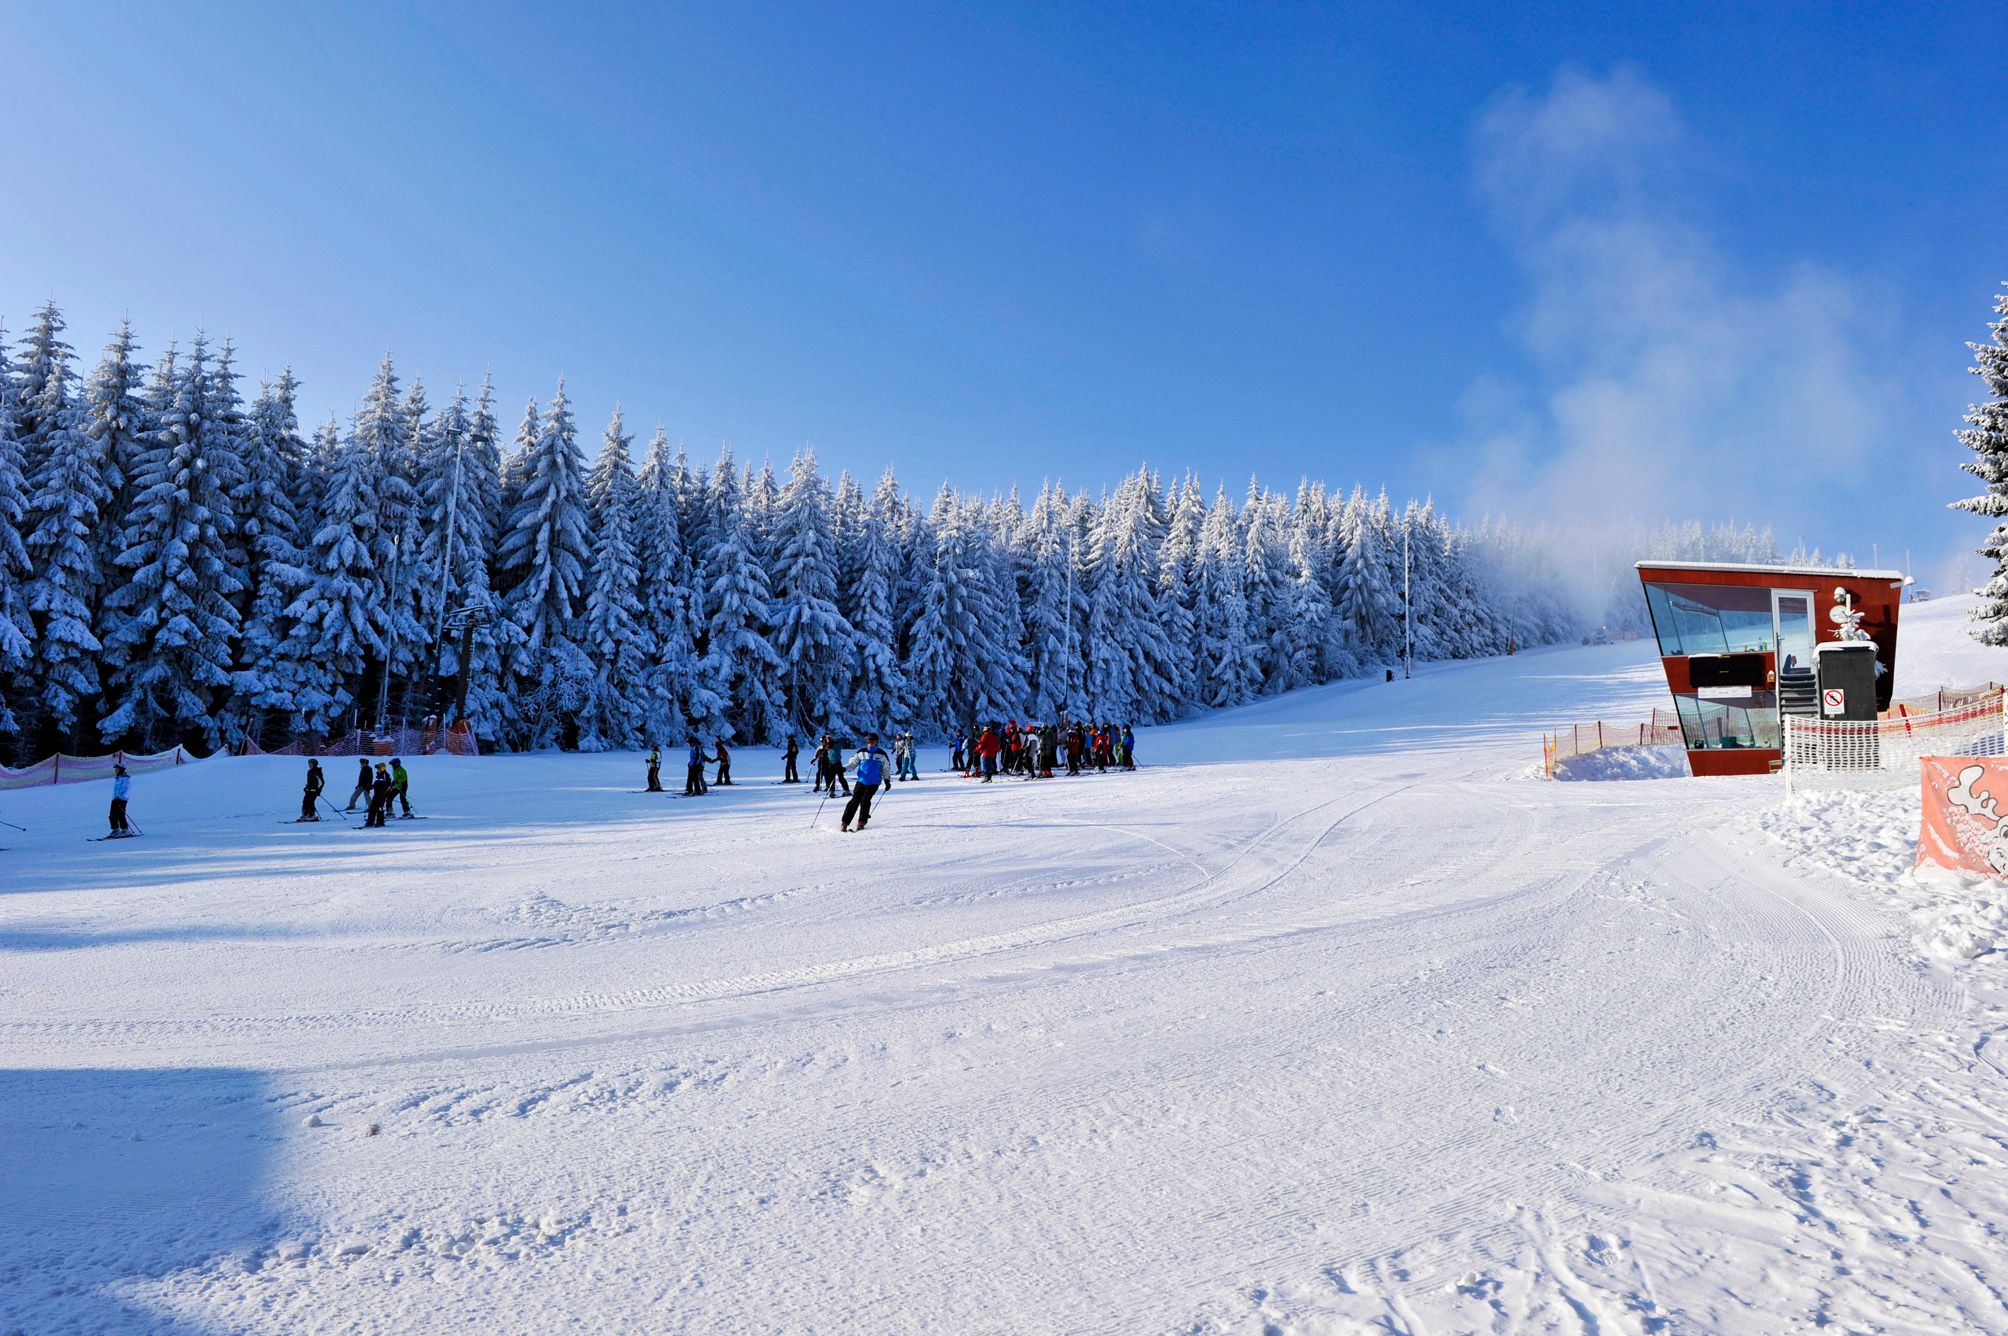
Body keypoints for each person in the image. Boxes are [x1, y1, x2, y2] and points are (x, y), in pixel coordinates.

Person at [841, 734, 892, 833]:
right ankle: (845, 823)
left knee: (865, 800)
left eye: (873, 742)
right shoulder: (861, 752)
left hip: (874, 783)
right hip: (861, 781)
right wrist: (843, 768)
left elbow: (886, 769)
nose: (871, 744)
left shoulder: (882, 754)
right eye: (869, 742)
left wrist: (887, 780)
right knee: (854, 801)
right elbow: (852, 764)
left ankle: (861, 822)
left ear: (876, 742)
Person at [366, 762, 394, 828]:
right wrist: (371, 787)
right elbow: (376, 784)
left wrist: (384, 792)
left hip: (382, 795)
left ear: (382, 768)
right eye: (377, 769)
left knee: (380, 808)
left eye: (378, 768)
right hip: (376, 794)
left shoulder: (386, 775)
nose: (377, 770)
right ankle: (370, 821)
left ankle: (380, 822)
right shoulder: (378, 775)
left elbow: (388, 785)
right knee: (372, 808)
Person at [108, 764, 131, 837]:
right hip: (115, 799)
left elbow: (125, 789)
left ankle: (125, 830)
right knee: (112, 815)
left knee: (120, 815)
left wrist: (119, 797)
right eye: (115, 769)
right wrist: (115, 797)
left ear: (121, 770)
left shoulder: (125, 779)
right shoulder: (117, 779)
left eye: (117, 769)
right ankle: (115, 830)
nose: (115, 771)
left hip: (122, 799)